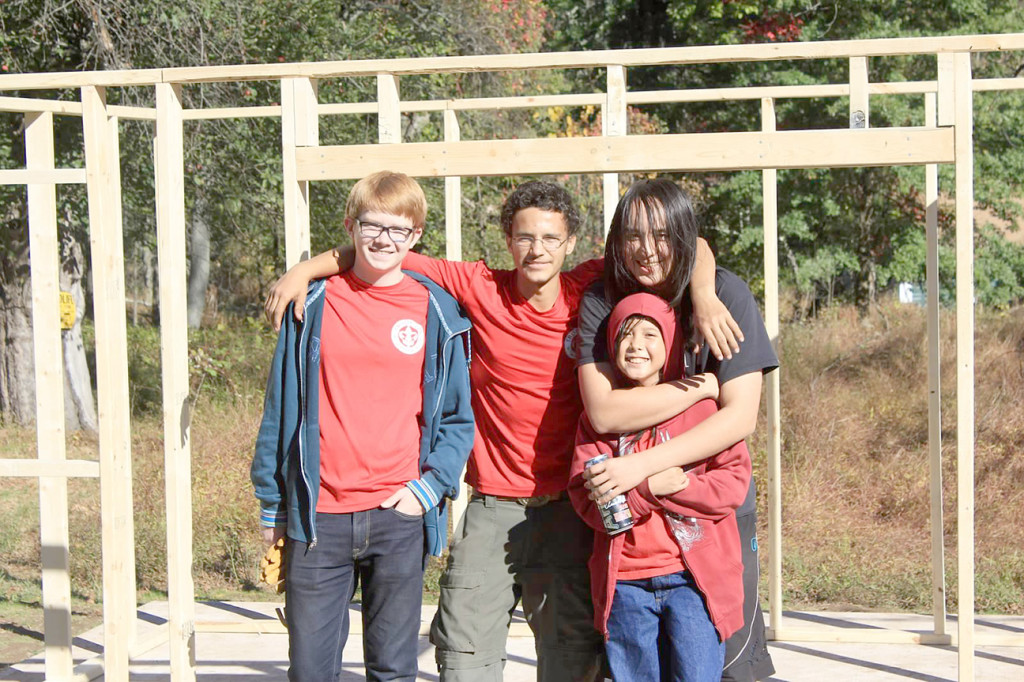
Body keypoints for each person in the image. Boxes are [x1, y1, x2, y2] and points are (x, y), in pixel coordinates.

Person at [264, 180, 739, 681]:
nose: (537, 250)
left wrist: (703, 294)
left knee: (574, 656)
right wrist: (304, 270)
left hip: (568, 512)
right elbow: (385, 247)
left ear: (571, 243)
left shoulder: (590, 289)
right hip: (493, 508)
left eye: (550, 238)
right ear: (507, 241)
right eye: (525, 237)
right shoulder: (479, 286)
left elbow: (694, 246)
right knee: (464, 656)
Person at [250, 171, 475, 681]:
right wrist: (273, 504)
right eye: (373, 225)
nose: (384, 240)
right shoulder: (312, 305)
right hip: (318, 516)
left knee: (393, 669)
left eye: (399, 230)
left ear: (416, 236)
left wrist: (428, 488)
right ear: (351, 226)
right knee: (311, 670)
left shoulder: (437, 311)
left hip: (398, 514)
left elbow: (459, 419)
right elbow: (279, 410)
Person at [576, 178, 779, 682]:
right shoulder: (605, 301)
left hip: (710, 514)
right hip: (633, 539)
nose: (647, 251)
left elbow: (740, 417)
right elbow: (603, 414)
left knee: (724, 661)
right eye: (633, 236)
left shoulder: (724, 293)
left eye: (663, 236)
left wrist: (642, 468)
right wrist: (700, 387)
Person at [570, 292, 751, 682]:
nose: (636, 346)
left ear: (669, 344)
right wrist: (650, 488)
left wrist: (681, 486)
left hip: (693, 580)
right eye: (626, 336)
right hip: (626, 584)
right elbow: (591, 502)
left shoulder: (700, 409)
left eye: (650, 335)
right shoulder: (601, 421)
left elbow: (733, 483)